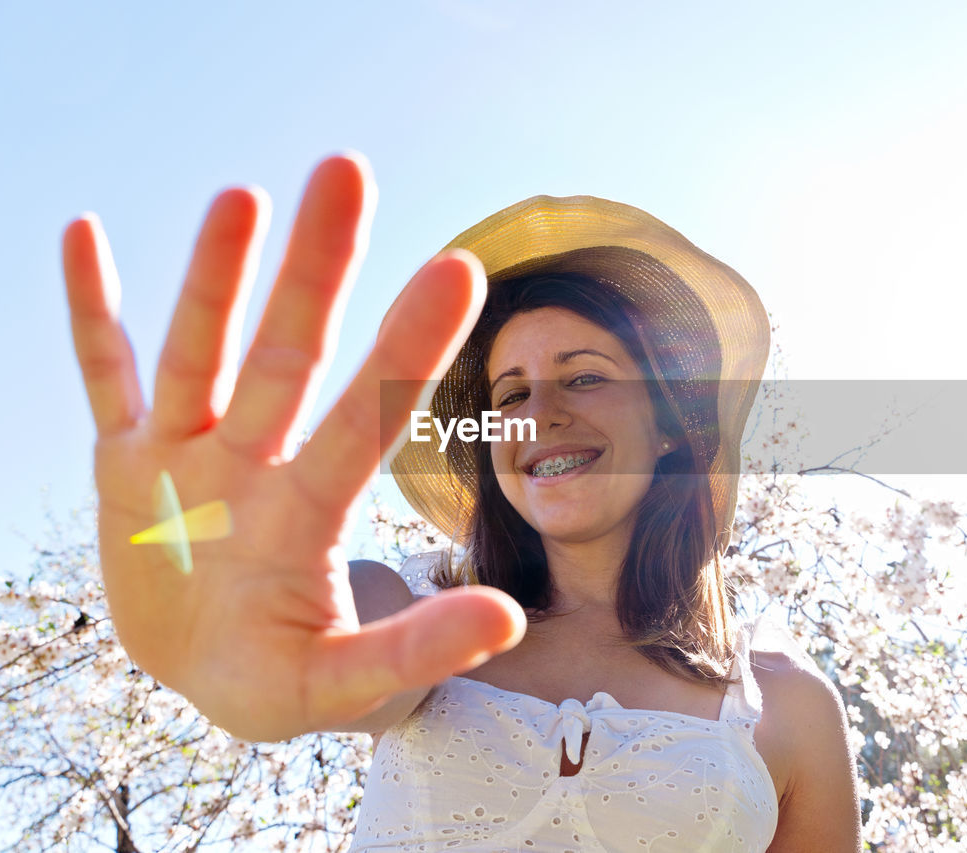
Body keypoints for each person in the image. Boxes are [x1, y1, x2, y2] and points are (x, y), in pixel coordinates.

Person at [61, 153, 860, 851]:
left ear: (666, 428)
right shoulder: (412, 610)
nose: (540, 412)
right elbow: (323, 651)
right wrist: (237, 642)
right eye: (511, 393)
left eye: (585, 376)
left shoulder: (788, 708)